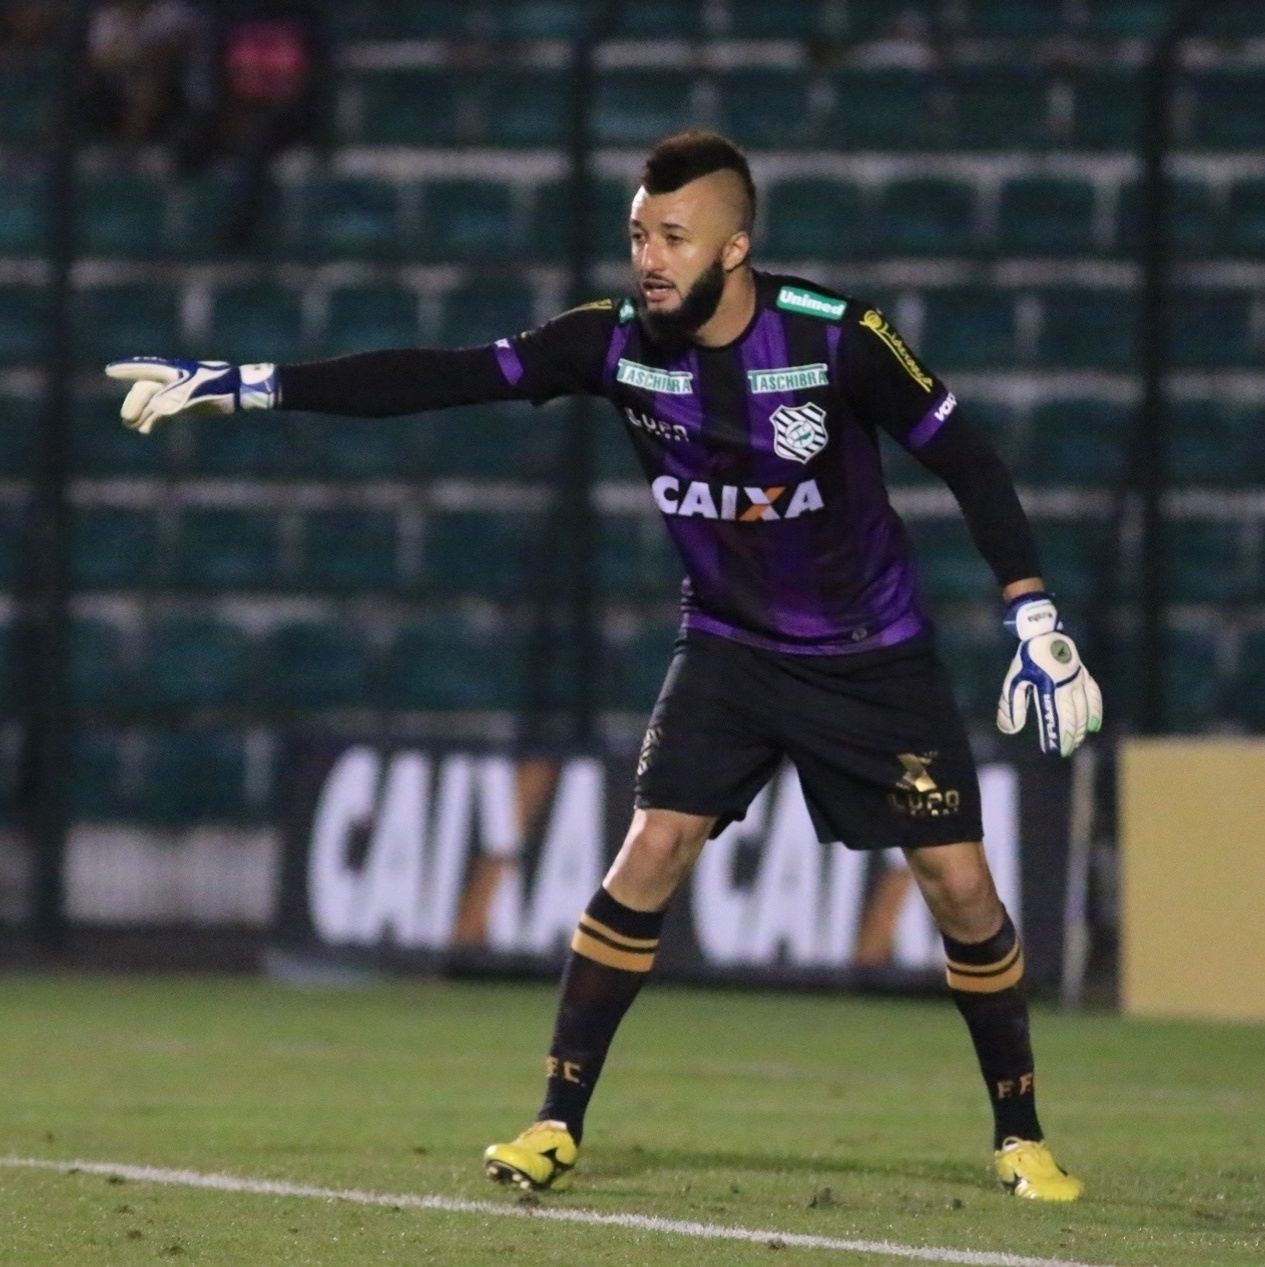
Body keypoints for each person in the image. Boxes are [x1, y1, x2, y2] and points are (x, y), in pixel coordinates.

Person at [103, 130, 1101, 1202]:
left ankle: (1019, 1132)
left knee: (957, 885)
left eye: (673, 236)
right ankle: (553, 1120)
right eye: (637, 235)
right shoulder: (609, 342)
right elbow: (436, 378)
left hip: (871, 657)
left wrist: (1030, 613)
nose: (648, 258)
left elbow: (968, 460)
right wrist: (248, 383)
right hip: (726, 645)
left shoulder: (836, 337)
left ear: (734, 248)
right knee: (650, 849)